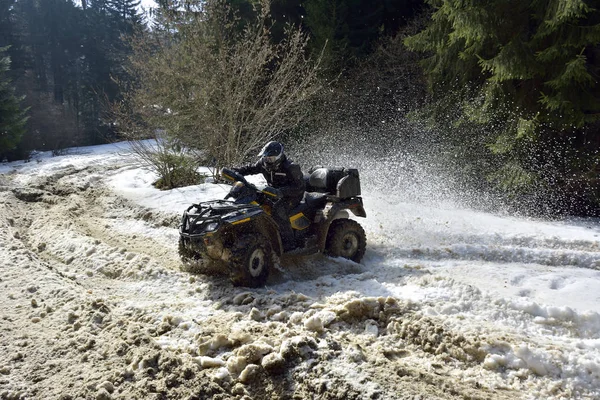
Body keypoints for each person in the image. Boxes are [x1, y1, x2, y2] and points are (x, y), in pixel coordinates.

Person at [234, 141, 305, 251]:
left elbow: (299, 187)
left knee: (278, 211)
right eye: (266, 158)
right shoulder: (263, 163)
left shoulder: (291, 167)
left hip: (291, 196)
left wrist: (281, 191)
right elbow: (250, 168)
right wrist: (235, 171)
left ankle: (289, 243)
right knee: (255, 203)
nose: (267, 161)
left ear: (279, 157)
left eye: (271, 159)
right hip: (272, 192)